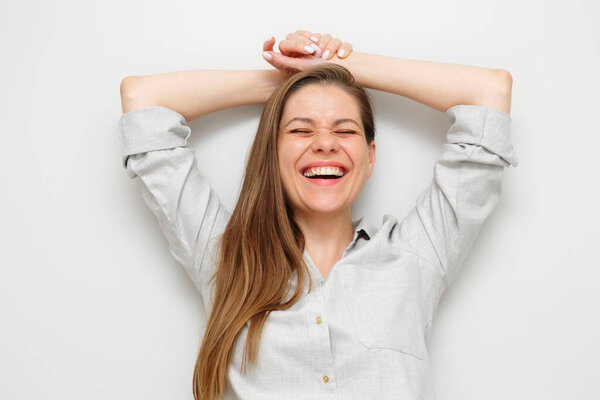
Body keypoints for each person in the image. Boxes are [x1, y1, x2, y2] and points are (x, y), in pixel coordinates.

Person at [118, 30, 519, 400]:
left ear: (370, 157)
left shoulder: (418, 255)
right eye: (300, 130)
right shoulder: (224, 256)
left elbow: (489, 92)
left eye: (345, 131)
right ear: (272, 154)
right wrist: (292, 82)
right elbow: (144, 100)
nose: (325, 143)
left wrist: (344, 68)